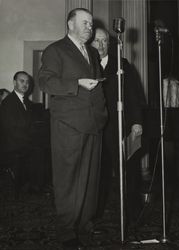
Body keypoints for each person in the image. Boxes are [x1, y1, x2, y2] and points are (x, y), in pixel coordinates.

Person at [38, 8, 107, 249]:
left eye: (91, 23)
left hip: (94, 123)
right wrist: (75, 84)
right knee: (69, 180)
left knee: (90, 180)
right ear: (70, 24)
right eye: (84, 23)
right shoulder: (55, 50)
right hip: (68, 124)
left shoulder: (91, 52)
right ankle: (67, 232)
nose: (90, 27)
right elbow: (45, 81)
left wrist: (103, 114)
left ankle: (85, 227)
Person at [91, 28, 146, 230]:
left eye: (105, 41)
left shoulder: (122, 64)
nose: (101, 45)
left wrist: (137, 122)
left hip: (120, 127)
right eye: (97, 41)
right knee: (97, 173)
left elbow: (133, 95)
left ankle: (132, 214)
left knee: (129, 172)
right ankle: (93, 214)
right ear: (91, 43)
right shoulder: (85, 64)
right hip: (95, 129)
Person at [0, 71, 45, 195]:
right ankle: (34, 187)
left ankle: (35, 185)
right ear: (14, 82)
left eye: (27, 82)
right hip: (12, 144)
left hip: (22, 141)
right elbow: (11, 130)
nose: (25, 84)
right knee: (38, 150)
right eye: (22, 81)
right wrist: (31, 141)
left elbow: (30, 125)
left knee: (41, 147)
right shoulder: (8, 103)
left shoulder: (25, 102)